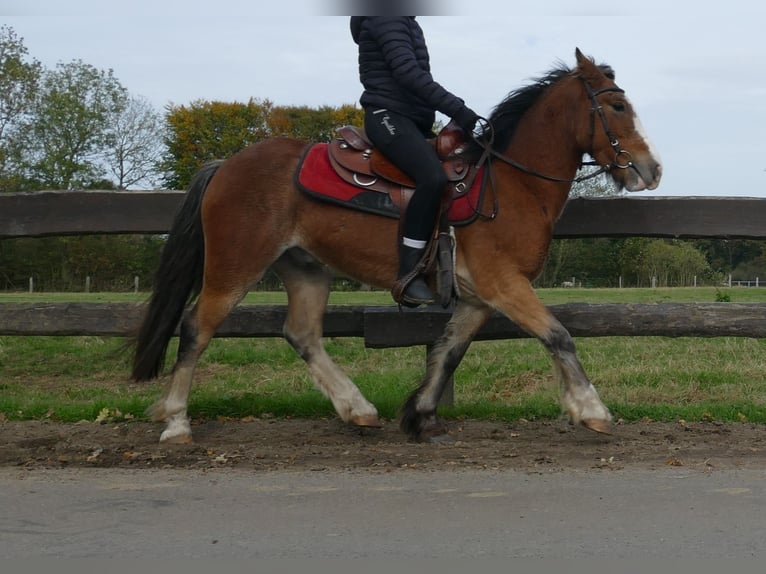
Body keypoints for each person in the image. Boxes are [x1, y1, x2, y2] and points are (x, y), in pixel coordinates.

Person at [350, 16, 479, 306]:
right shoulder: (387, 18)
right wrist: (458, 109)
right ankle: (408, 274)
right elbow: (408, 73)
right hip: (388, 116)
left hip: (411, 120)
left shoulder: (404, 20)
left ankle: (450, 265)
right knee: (432, 178)